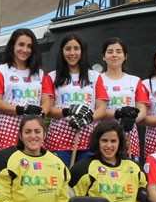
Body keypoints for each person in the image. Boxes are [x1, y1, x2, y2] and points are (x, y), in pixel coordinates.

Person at [42, 34, 109, 167]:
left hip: (88, 139)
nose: (72, 53)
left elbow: (102, 108)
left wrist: (87, 118)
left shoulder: (95, 76)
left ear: (82, 51)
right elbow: (48, 109)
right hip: (59, 139)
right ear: (62, 51)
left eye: (76, 48)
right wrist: (68, 112)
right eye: (68, 49)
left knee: (84, 180)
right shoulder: (51, 76)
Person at [0, 28, 46, 152]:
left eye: (29, 46)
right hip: (8, 130)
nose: (25, 50)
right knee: (6, 167)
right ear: (12, 45)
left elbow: (46, 100)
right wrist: (21, 110)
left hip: (32, 130)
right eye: (21, 44)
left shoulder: (39, 74)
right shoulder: (0, 71)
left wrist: (41, 112)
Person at [99, 38, 149, 160]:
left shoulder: (135, 80)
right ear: (103, 57)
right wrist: (118, 114)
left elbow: (142, 108)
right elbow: (97, 108)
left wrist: (132, 118)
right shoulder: (97, 79)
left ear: (125, 56)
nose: (114, 55)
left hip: (129, 135)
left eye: (118, 51)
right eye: (110, 51)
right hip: (105, 135)